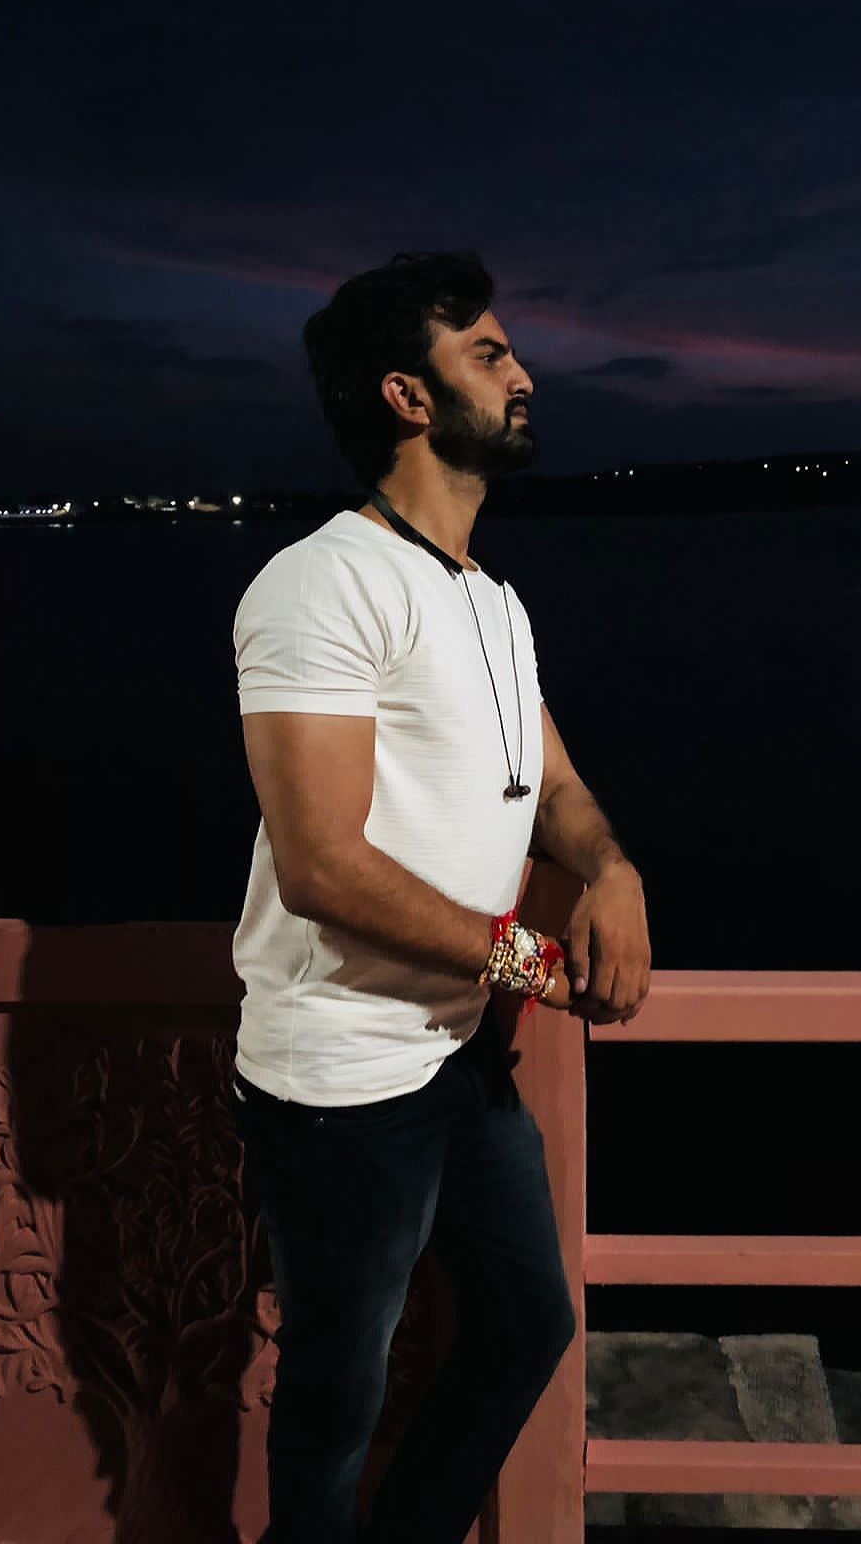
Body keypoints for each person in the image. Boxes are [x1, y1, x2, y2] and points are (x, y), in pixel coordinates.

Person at [227, 250, 652, 1543]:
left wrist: (614, 870)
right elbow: (322, 867)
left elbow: (555, 786)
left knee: (527, 1325)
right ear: (408, 397)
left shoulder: (490, 602)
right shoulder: (323, 583)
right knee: (334, 1407)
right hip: (342, 1082)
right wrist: (536, 964)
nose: (524, 375)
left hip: (459, 1056)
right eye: (489, 354)